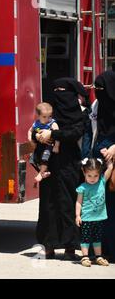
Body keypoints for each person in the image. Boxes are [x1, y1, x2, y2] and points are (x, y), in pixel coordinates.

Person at [35, 78, 89, 260]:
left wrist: (54, 134)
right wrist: (39, 136)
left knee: (68, 203)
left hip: (70, 164)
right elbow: (38, 127)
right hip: (49, 163)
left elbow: (75, 132)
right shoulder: (50, 112)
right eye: (55, 89)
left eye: (63, 90)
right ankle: (48, 245)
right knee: (49, 205)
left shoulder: (80, 113)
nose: (59, 94)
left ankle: (70, 246)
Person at [83, 69, 115, 262]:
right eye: (96, 88)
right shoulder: (96, 106)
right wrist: (87, 159)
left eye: (102, 88)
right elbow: (90, 133)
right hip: (98, 165)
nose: (98, 92)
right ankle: (103, 250)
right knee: (100, 208)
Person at [76, 158, 113, 267]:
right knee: (85, 238)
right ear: (84, 173)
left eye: (95, 176)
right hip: (86, 218)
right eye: (89, 176)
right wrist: (78, 215)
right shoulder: (82, 188)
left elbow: (109, 169)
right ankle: (85, 257)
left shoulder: (102, 181)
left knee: (97, 238)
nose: (92, 179)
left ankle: (98, 257)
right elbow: (78, 202)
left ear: (99, 174)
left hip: (99, 217)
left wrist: (110, 163)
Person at [28, 102, 60, 183]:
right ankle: (44, 171)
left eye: (49, 116)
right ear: (38, 116)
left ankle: (41, 173)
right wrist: (30, 140)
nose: (47, 119)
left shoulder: (52, 123)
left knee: (45, 158)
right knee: (33, 159)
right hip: (39, 146)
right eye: (44, 117)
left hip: (48, 146)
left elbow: (57, 135)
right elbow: (30, 131)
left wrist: (56, 146)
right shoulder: (36, 123)